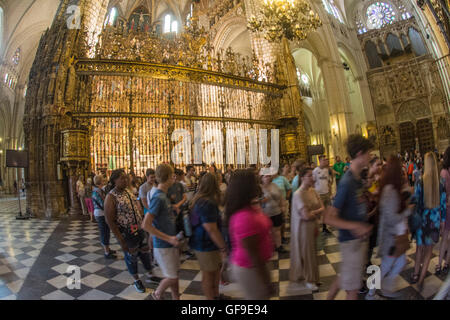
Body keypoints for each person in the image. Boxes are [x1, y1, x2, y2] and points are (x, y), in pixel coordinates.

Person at [324, 135, 373, 300]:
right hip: (351, 241)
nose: (370, 156)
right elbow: (329, 218)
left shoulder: (357, 179)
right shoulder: (347, 182)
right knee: (352, 290)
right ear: (360, 154)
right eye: (369, 153)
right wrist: (355, 226)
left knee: (345, 277)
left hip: (358, 240)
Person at [366, 156, 413, 300]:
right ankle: (372, 292)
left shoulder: (390, 188)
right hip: (391, 237)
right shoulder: (390, 191)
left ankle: (383, 288)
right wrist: (408, 210)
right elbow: (392, 218)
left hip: (393, 235)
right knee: (387, 266)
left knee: (399, 262)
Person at [226, 169, 274, 300]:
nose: (258, 183)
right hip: (250, 268)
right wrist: (266, 280)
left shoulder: (249, 206)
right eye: (254, 181)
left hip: (256, 265)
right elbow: (254, 254)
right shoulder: (244, 217)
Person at [104, 169, 155, 293]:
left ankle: (150, 274)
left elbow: (136, 208)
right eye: (122, 178)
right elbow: (109, 220)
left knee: (144, 251)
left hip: (138, 228)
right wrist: (120, 239)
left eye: (126, 177)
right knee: (131, 256)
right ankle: (136, 280)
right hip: (126, 232)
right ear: (114, 180)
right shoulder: (111, 197)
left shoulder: (128, 191)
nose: (125, 180)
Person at [142, 164, 181, 300]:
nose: (174, 178)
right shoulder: (158, 197)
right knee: (172, 277)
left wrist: (173, 208)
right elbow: (146, 224)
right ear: (168, 177)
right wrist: (169, 238)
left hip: (169, 244)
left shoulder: (163, 195)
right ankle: (157, 294)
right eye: (173, 176)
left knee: (174, 275)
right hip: (163, 245)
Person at [189, 173, 227, 300]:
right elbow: (211, 229)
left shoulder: (201, 199)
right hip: (205, 244)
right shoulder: (206, 203)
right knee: (208, 275)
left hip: (206, 243)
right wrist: (223, 247)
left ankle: (216, 295)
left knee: (215, 271)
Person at [412, 152, 446, 291]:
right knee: (428, 252)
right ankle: (421, 279)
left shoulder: (420, 181)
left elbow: (416, 203)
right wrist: (443, 222)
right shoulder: (441, 184)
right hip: (435, 221)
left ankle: (415, 274)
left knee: (419, 249)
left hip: (422, 220)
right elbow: (443, 206)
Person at [290, 167, 324, 290]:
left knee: (313, 253)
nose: (312, 178)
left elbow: (322, 208)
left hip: (313, 225)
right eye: (309, 175)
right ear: (302, 177)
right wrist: (315, 212)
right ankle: (309, 279)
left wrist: (312, 212)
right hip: (303, 228)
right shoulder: (298, 194)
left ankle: (314, 277)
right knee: (307, 254)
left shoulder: (313, 191)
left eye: (312, 175)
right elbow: (305, 215)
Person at [260, 169, 285, 254]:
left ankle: (279, 246)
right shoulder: (259, 188)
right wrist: (264, 198)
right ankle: (270, 247)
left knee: (277, 230)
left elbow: (281, 197)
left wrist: (282, 206)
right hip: (265, 213)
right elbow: (258, 201)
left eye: (269, 176)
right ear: (261, 177)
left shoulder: (274, 185)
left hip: (276, 211)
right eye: (265, 176)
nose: (267, 177)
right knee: (268, 231)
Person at [92, 175, 117, 259]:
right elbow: (103, 204)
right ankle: (106, 252)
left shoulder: (98, 190)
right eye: (103, 180)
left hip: (101, 213)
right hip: (100, 214)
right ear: (101, 181)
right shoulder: (97, 191)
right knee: (104, 232)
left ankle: (108, 249)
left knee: (106, 231)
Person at [437, 146, 450, 275]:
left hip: (447, 208)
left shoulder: (444, 173)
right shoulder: (445, 173)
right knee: (446, 237)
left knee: (446, 237)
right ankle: (443, 262)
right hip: (447, 208)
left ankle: (442, 263)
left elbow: (442, 194)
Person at [312, 155, 333, 234]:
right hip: (319, 194)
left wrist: (330, 192)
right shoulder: (315, 171)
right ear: (320, 161)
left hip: (326, 193)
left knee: (326, 212)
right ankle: (316, 227)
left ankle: (324, 227)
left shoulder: (326, 170)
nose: (325, 161)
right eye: (323, 160)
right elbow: (313, 183)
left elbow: (327, 181)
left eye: (325, 160)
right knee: (318, 212)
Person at [272, 169, 292, 245]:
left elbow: (289, 188)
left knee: (282, 220)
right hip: (273, 205)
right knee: (274, 222)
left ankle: (282, 236)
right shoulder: (269, 180)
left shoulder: (282, 178)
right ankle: (275, 239)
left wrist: (287, 196)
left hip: (282, 203)